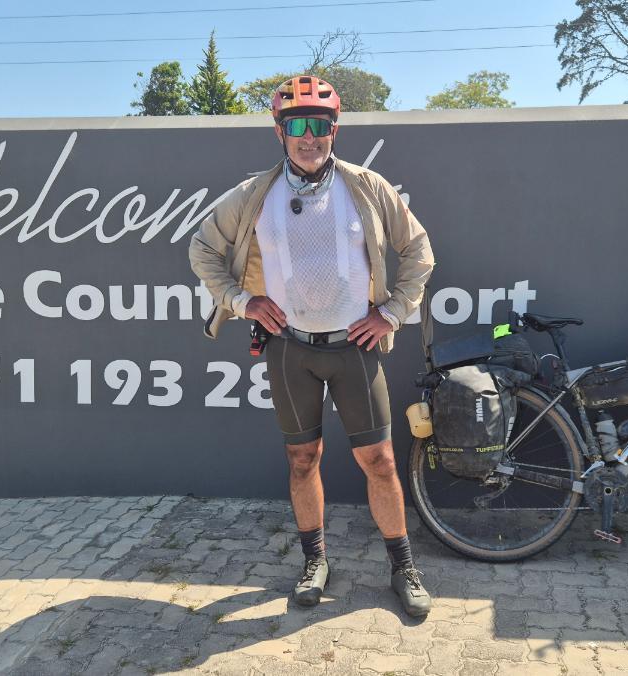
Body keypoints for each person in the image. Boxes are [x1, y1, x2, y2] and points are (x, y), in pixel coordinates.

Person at [188, 75, 436, 617]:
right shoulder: (255, 194)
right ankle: (314, 561)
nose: (309, 136)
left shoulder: (366, 186)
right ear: (279, 131)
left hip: (354, 347)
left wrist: (392, 313)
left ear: (334, 129)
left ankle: (404, 568)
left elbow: (419, 251)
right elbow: (202, 248)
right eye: (297, 124)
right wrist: (241, 302)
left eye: (319, 125)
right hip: (289, 349)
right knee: (303, 459)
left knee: (380, 461)